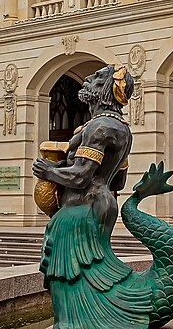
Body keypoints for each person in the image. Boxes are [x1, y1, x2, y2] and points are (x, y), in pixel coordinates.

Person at [32, 63, 140, 326]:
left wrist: (47, 171)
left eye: (99, 77)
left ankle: (72, 323)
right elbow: (120, 179)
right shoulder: (121, 129)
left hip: (81, 208)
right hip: (103, 202)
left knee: (64, 270)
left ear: (107, 89)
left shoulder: (98, 128)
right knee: (88, 267)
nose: (90, 78)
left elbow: (81, 177)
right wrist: (62, 167)